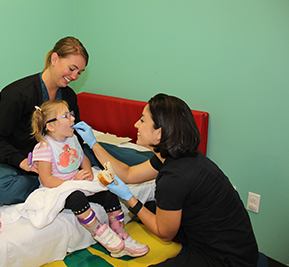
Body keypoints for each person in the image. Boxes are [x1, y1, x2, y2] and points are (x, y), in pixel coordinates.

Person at [74, 93, 259, 266]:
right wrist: (93, 143)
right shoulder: (177, 155)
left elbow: (164, 234)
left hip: (228, 258)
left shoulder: (174, 178)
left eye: (142, 120)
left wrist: (129, 197)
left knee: (148, 214)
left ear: (159, 133)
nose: (136, 124)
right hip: (231, 239)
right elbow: (128, 173)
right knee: (152, 208)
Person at [30, 99, 149, 258]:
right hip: (58, 188)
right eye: (66, 116)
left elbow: (82, 158)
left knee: (109, 195)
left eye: (71, 114)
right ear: (51, 126)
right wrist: (72, 184)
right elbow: (46, 179)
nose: (73, 118)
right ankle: (101, 234)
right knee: (77, 198)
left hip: (77, 182)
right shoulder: (44, 147)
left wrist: (88, 173)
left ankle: (120, 234)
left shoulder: (72, 138)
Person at [0, 36, 88, 206]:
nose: (75, 76)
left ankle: (54, 181)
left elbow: (75, 132)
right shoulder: (17, 94)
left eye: (79, 72)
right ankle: (49, 182)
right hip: (18, 161)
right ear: (54, 59)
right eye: (72, 68)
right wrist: (22, 162)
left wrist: (83, 157)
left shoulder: (69, 96)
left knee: (103, 154)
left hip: (59, 157)